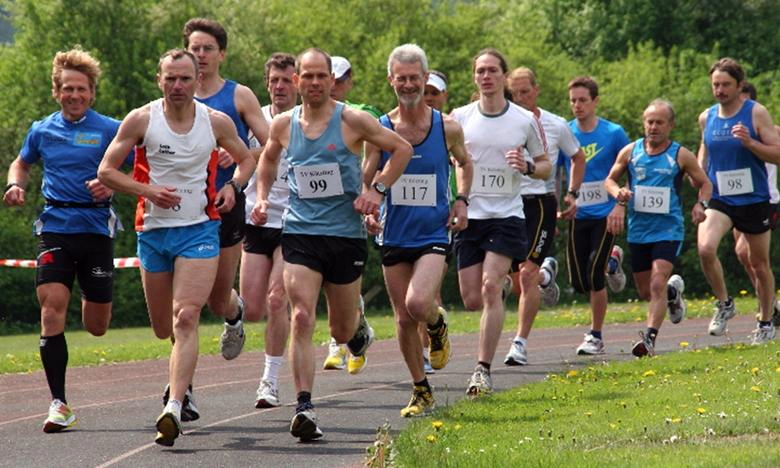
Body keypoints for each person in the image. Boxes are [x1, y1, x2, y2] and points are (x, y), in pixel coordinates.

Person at [251, 48, 412, 441]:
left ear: (331, 80)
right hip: (300, 232)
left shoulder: (352, 119)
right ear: (296, 81)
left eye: (321, 76)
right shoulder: (284, 125)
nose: (314, 83)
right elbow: (268, 161)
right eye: (307, 76)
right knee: (301, 316)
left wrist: (376, 190)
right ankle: (304, 406)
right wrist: (260, 196)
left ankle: (357, 334)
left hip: (345, 236)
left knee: (340, 330)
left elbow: (402, 149)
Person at [98, 49, 255, 446]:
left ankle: (174, 404)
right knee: (162, 327)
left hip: (200, 230)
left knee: (186, 317)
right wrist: (147, 189)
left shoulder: (215, 121)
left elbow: (247, 158)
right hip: (153, 232)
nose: (178, 86)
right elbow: (106, 171)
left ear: (196, 79)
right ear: (159, 80)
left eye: (185, 78)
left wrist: (232, 186)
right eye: (171, 79)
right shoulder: (141, 119)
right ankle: (181, 382)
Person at [3, 48, 126, 433]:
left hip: (95, 229)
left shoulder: (110, 128)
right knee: (51, 308)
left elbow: (142, 163)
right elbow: (22, 162)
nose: (75, 95)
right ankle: (59, 403)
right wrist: (15, 184)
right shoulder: (42, 129)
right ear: (57, 92)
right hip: (55, 225)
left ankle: (95, 296)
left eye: (82, 89)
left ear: (92, 93)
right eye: (68, 88)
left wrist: (111, 185)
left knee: (97, 325)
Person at [363, 44, 472, 416]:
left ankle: (438, 324)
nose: (408, 84)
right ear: (390, 80)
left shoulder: (447, 126)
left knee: (418, 304)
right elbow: (369, 176)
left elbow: (465, 164)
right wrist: (369, 206)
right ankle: (420, 389)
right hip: (394, 232)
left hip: (433, 233)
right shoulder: (381, 128)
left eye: (415, 78)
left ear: (425, 79)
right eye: (401, 78)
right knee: (402, 318)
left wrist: (462, 201)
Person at [451, 48, 550, 398]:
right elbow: (447, 157)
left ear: (503, 76)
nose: (486, 76)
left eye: (493, 70)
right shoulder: (459, 117)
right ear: (474, 77)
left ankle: (482, 371)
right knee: (471, 299)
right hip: (469, 216)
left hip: (507, 215)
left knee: (491, 286)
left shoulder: (523, 120)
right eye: (480, 71)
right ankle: (501, 288)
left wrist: (525, 167)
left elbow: (545, 166)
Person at [183, 17, 270, 365]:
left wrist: (238, 155)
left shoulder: (238, 95)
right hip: (184, 207)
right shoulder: (174, 96)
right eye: (195, 49)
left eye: (207, 49)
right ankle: (181, 391)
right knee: (184, 302)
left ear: (222, 54)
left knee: (217, 300)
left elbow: (272, 144)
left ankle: (233, 314)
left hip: (226, 202)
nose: (201, 55)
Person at [605, 99, 712, 356]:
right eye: (649, 122)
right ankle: (673, 293)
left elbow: (704, 184)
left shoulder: (680, 155)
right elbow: (609, 180)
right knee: (646, 291)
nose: (653, 127)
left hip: (668, 229)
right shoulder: (631, 152)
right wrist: (618, 192)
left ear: (670, 125)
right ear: (644, 123)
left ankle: (649, 340)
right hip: (639, 229)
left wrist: (701, 205)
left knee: (656, 284)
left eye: (659, 122)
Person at [502, 67, 586, 366]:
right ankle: (547, 275)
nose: (521, 98)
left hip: (540, 203)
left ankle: (519, 343)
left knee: (526, 276)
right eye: (515, 93)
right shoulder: (502, 121)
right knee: (510, 280)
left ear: (536, 90)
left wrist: (573, 192)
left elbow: (577, 156)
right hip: (506, 203)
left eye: (526, 91)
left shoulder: (555, 124)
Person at [697, 58, 780, 344]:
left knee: (758, 264)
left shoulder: (755, 113)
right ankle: (724, 304)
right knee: (706, 248)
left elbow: (777, 153)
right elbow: (704, 155)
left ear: (739, 85)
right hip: (720, 198)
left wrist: (750, 143)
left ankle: (766, 322)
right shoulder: (706, 117)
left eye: (725, 84)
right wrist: (700, 189)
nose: (719, 90)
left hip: (753, 198)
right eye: (715, 84)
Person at [240, 52, 297, 408]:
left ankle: (269, 381)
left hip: (294, 221)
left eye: (286, 80)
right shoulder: (253, 118)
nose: (279, 86)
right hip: (255, 219)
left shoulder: (308, 121)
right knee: (252, 309)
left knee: (278, 301)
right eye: (274, 80)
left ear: (299, 83)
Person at [321, 55, 383, 374]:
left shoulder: (361, 113)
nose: (334, 86)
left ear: (349, 81)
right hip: (315, 210)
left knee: (342, 280)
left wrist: (365, 187)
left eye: (340, 80)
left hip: (350, 207)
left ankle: (343, 338)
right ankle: (349, 335)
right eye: (329, 79)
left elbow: (378, 149)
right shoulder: (306, 116)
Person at [563, 76, 630, 355]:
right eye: (573, 101)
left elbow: (630, 171)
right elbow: (556, 171)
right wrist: (562, 201)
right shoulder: (565, 132)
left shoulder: (614, 133)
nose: (577, 106)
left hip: (606, 214)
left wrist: (620, 205)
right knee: (578, 282)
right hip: (579, 214)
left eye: (583, 100)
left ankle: (596, 336)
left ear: (595, 101)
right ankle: (613, 262)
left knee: (593, 275)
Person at [733, 82, 780, 326]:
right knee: (743, 256)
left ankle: (768, 308)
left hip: (765, 199)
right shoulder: (728, 131)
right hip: (736, 199)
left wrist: (753, 144)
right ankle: (770, 303)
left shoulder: (771, 131)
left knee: (748, 253)